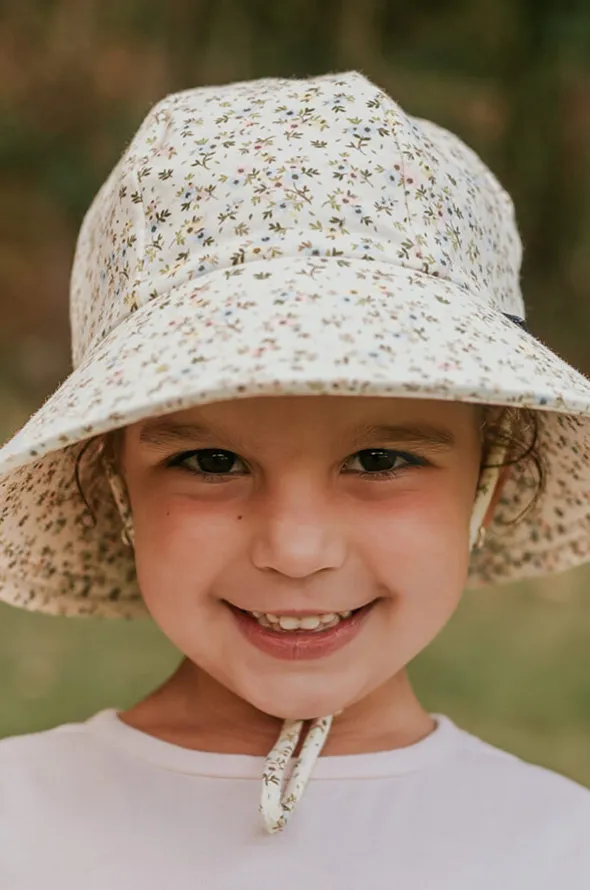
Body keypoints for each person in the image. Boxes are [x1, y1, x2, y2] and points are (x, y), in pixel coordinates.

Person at [0, 70, 589, 888]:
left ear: (488, 482)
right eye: (212, 462)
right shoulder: (19, 820)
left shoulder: (558, 849)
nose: (297, 550)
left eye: (379, 461)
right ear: (116, 486)